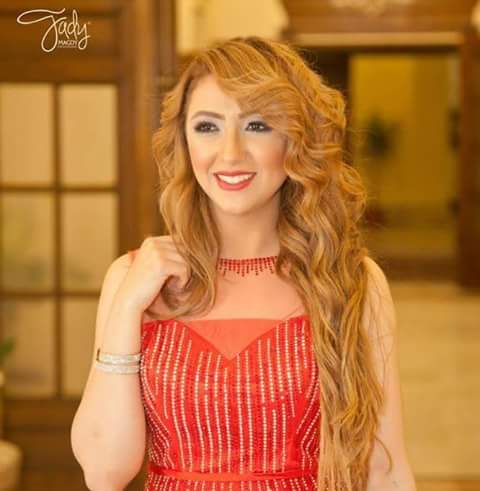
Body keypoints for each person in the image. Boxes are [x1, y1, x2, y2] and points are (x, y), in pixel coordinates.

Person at [70, 36, 416, 491]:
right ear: (184, 140)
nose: (230, 153)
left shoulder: (352, 281)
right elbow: (104, 473)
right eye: (207, 127)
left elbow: (385, 470)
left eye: (257, 125)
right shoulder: (132, 278)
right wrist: (128, 305)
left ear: (295, 139)